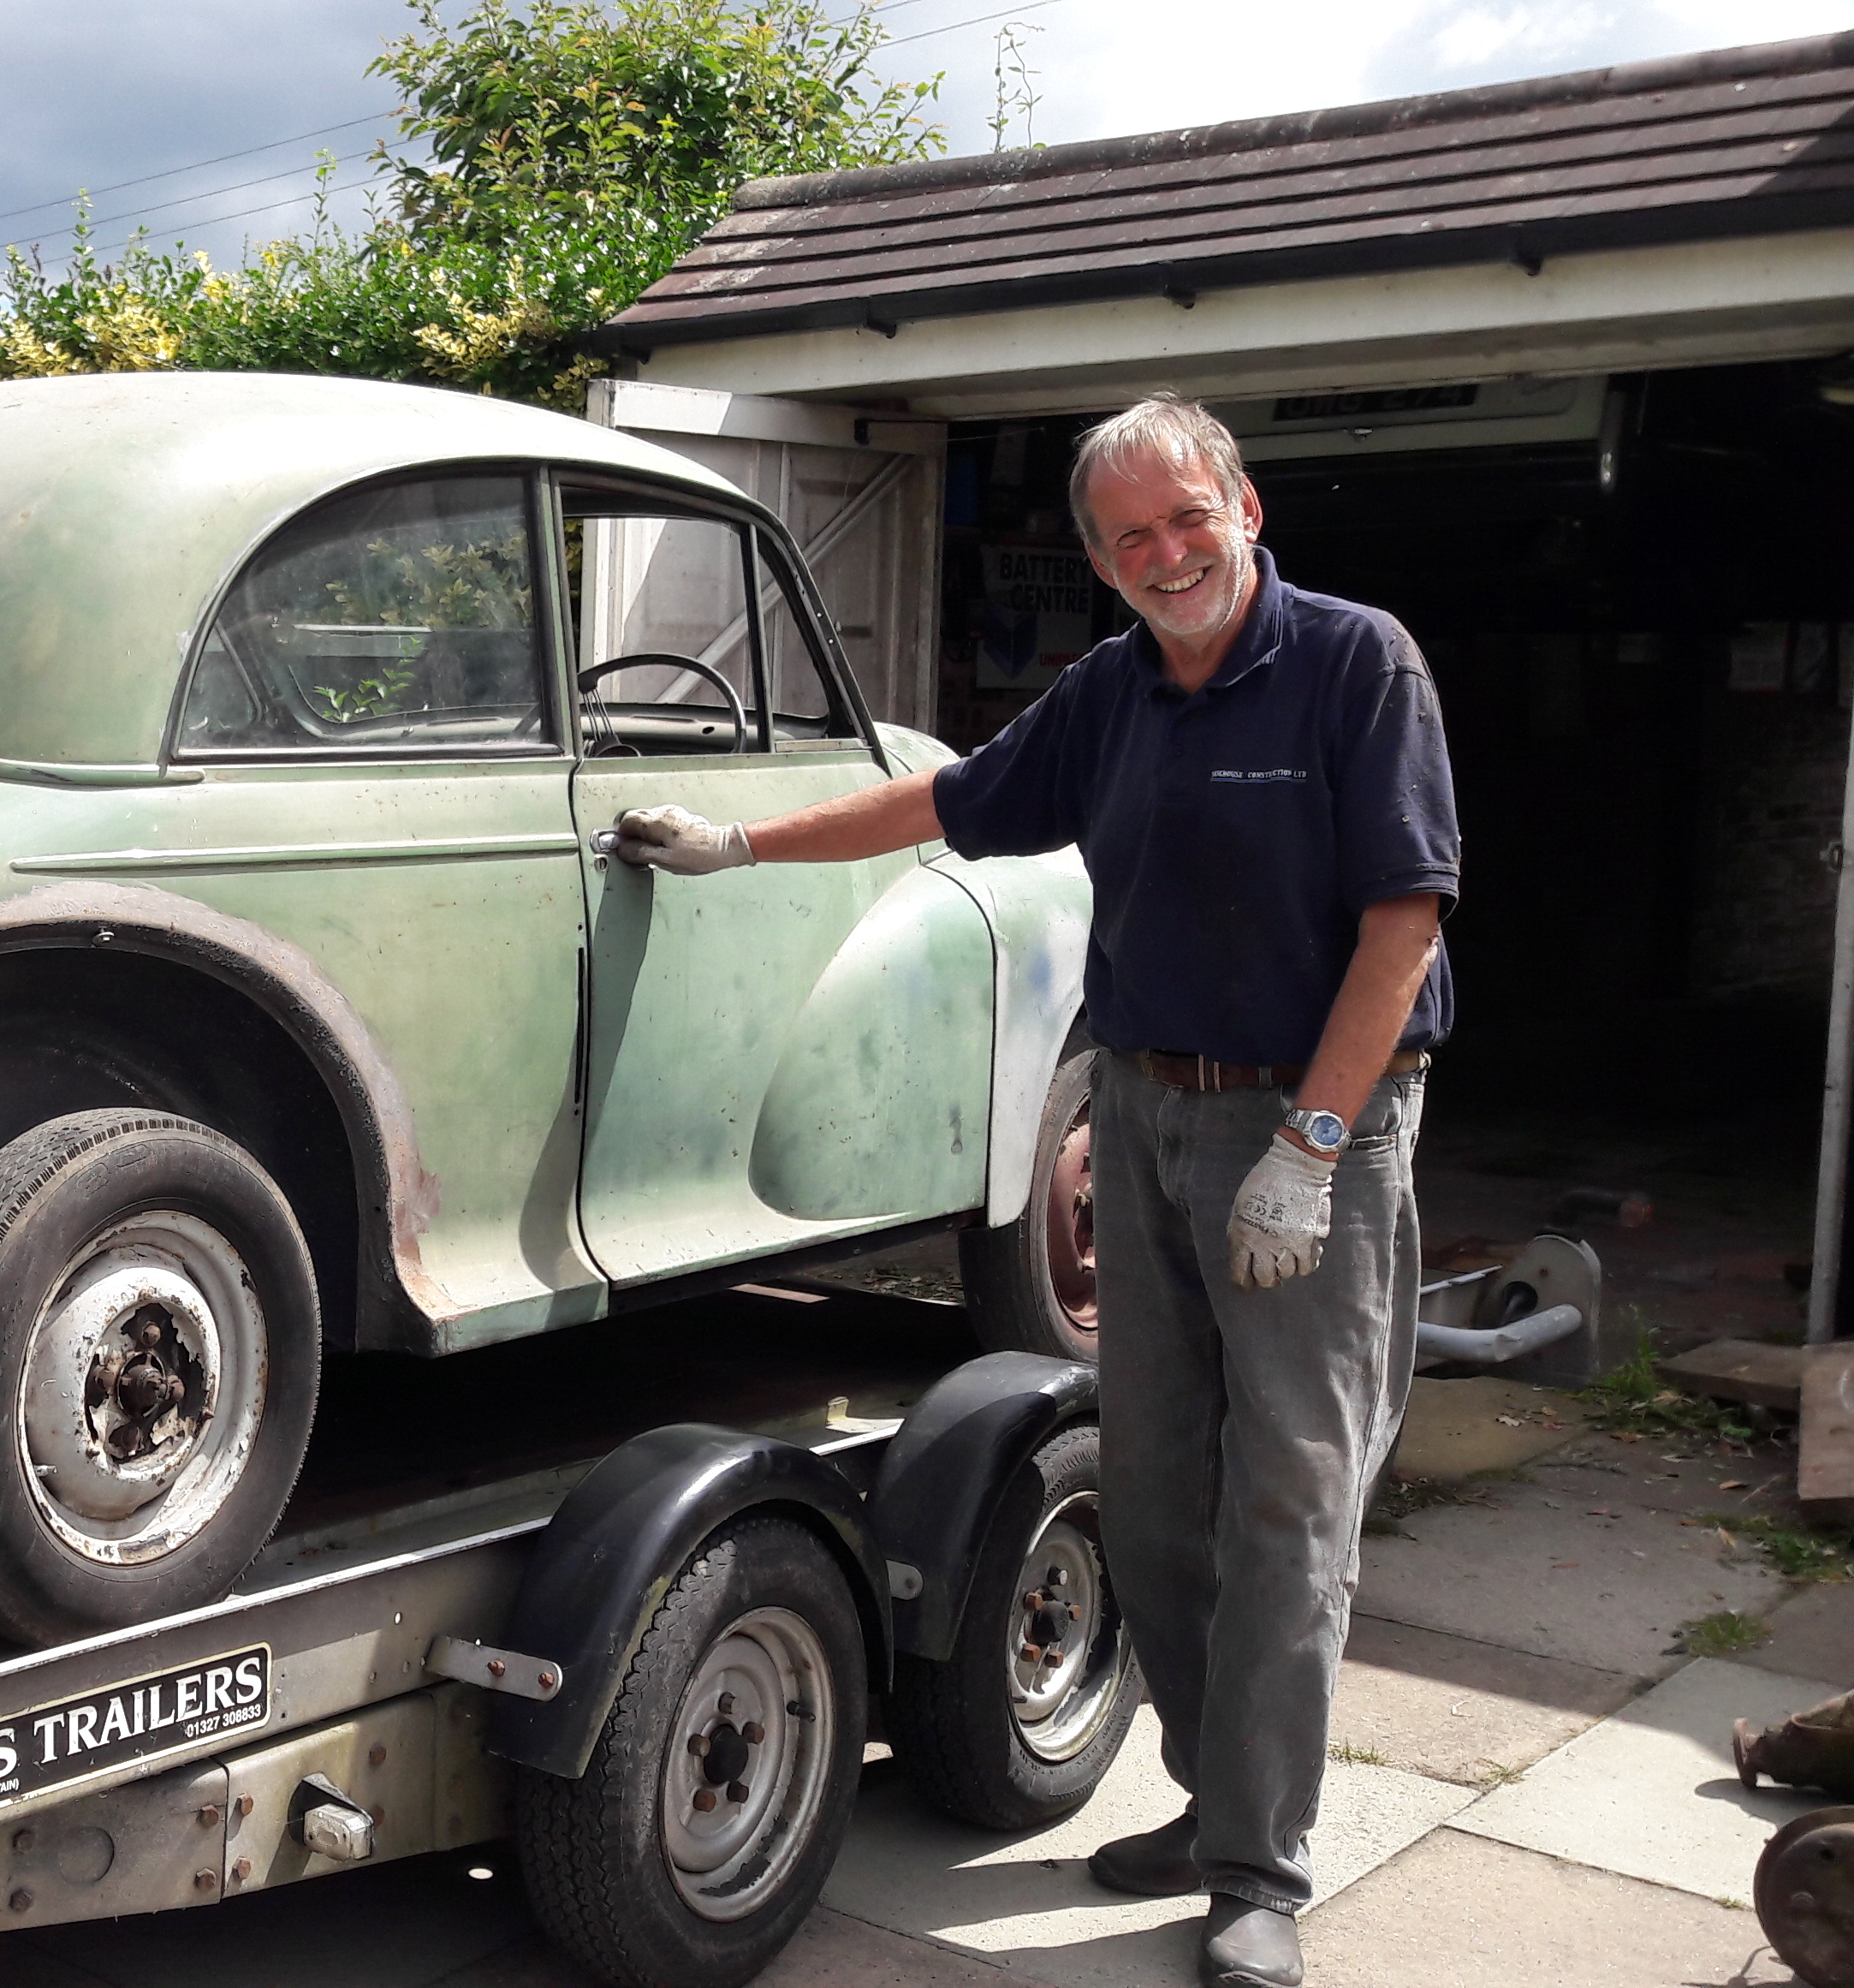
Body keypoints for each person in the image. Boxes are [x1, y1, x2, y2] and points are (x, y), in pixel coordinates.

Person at [606, 393, 1454, 1988]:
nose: (1166, 554)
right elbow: (942, 805)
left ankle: (1257, 1867)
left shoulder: (1356, 663)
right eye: (1130, 539)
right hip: (1139, 1111)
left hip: (1308, 1129)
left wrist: (1312, 1147)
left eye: (1187, 518)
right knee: (1151, 1487)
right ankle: (1213, 1797)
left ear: (1244, 507)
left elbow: (1401, 922)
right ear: (1100, 562)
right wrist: (737, 844)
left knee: (1286, 1502)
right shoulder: (1112, 691)